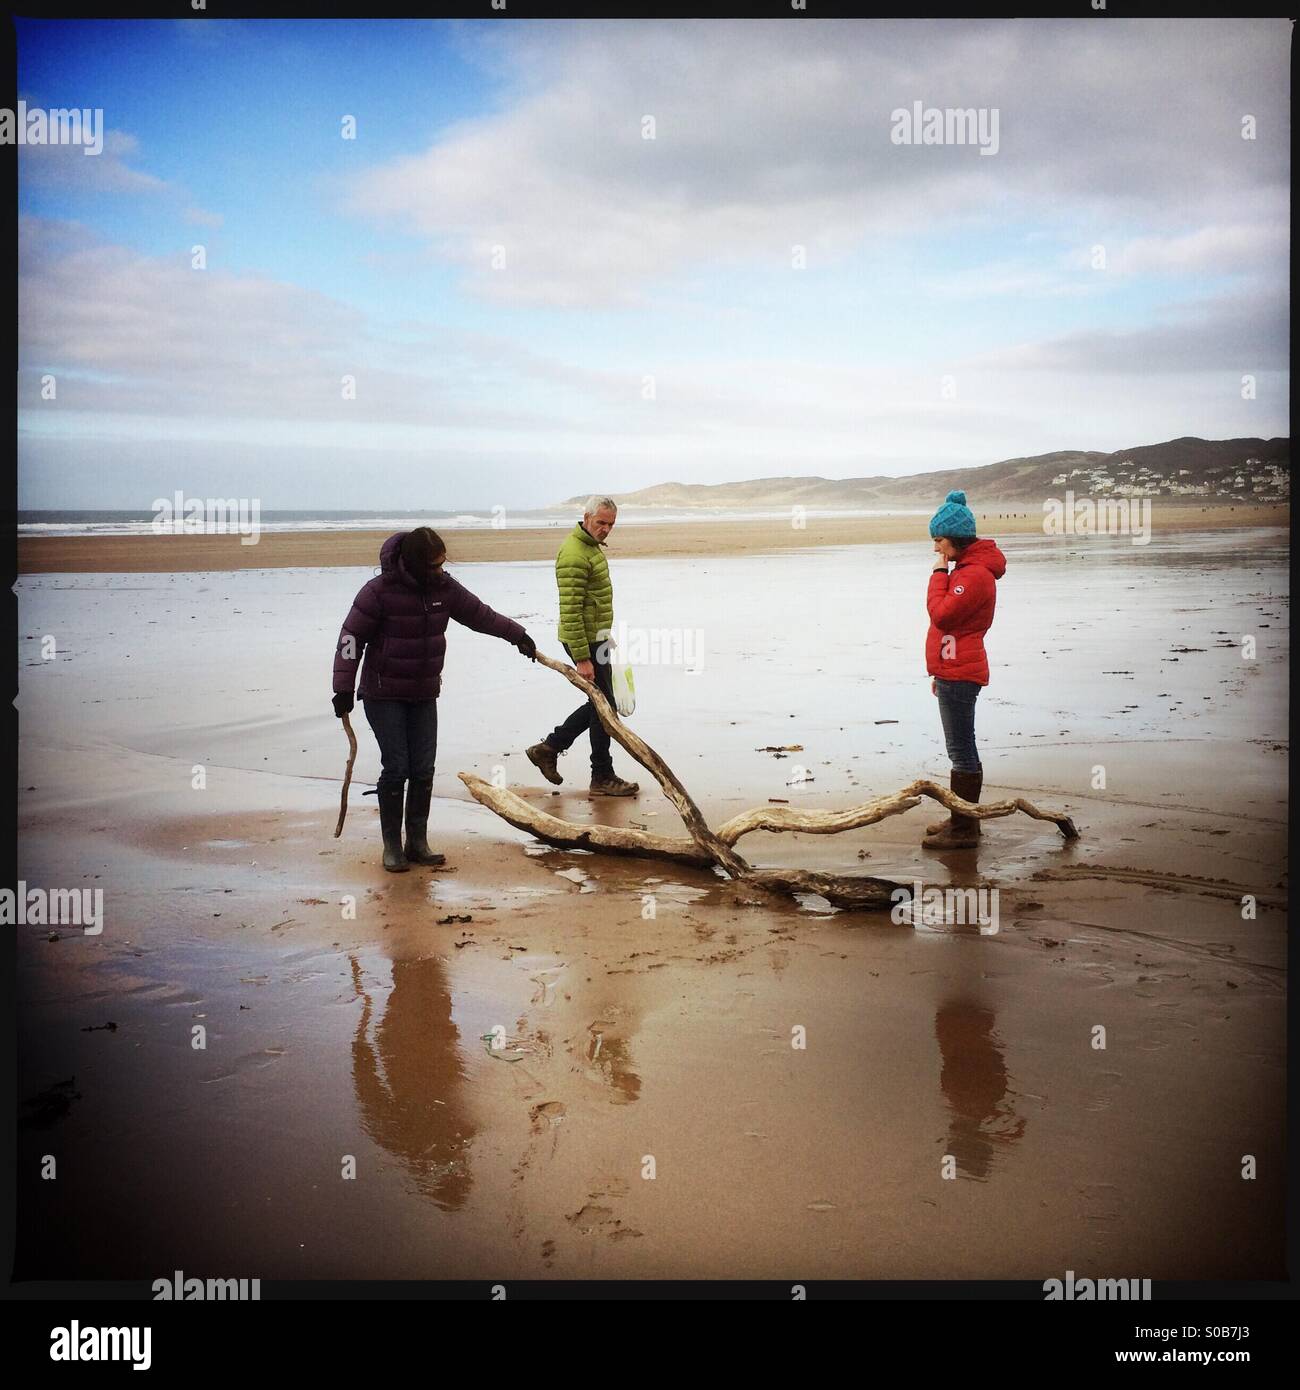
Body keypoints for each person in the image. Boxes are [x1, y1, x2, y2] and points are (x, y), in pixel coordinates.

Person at [332, 527, 536, 872]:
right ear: (413, 565)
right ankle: (392, 846)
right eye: (435, 565)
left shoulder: (444, 588)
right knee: (397, 768)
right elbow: (351, 638)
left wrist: (518, 635)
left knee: (423, 769)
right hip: (383, 693)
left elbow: (480, 615)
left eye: (443, 564)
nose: (441, 570)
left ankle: (417, 841)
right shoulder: (377, 592)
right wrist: (342, 688)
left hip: (424, 692)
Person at [525, 496, 640, 797]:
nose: (605, 529)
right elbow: (571, 610)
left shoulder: (589, 548)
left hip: (595, 638)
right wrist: (582, 658)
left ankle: (549, 749)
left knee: (600, 705)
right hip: (584, 642)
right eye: (601, 522)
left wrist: (604, 636)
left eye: (611, 524)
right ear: (586, 517)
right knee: (604, 708)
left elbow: (594, 603)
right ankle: (600, 775)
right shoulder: (575, 554)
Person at [923, 490, 1006, 850]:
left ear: (954, 538)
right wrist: (938, 673)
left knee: (961, 749)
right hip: (953, 671)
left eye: (939, 541)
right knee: (960, 747)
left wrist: (939, 573)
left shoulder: (972, 576)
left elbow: (941, 614)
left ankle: (964, 829)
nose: (936, 549)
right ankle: (961, 818)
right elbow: (948, 627)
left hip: (960, 673)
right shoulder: (968, 572)